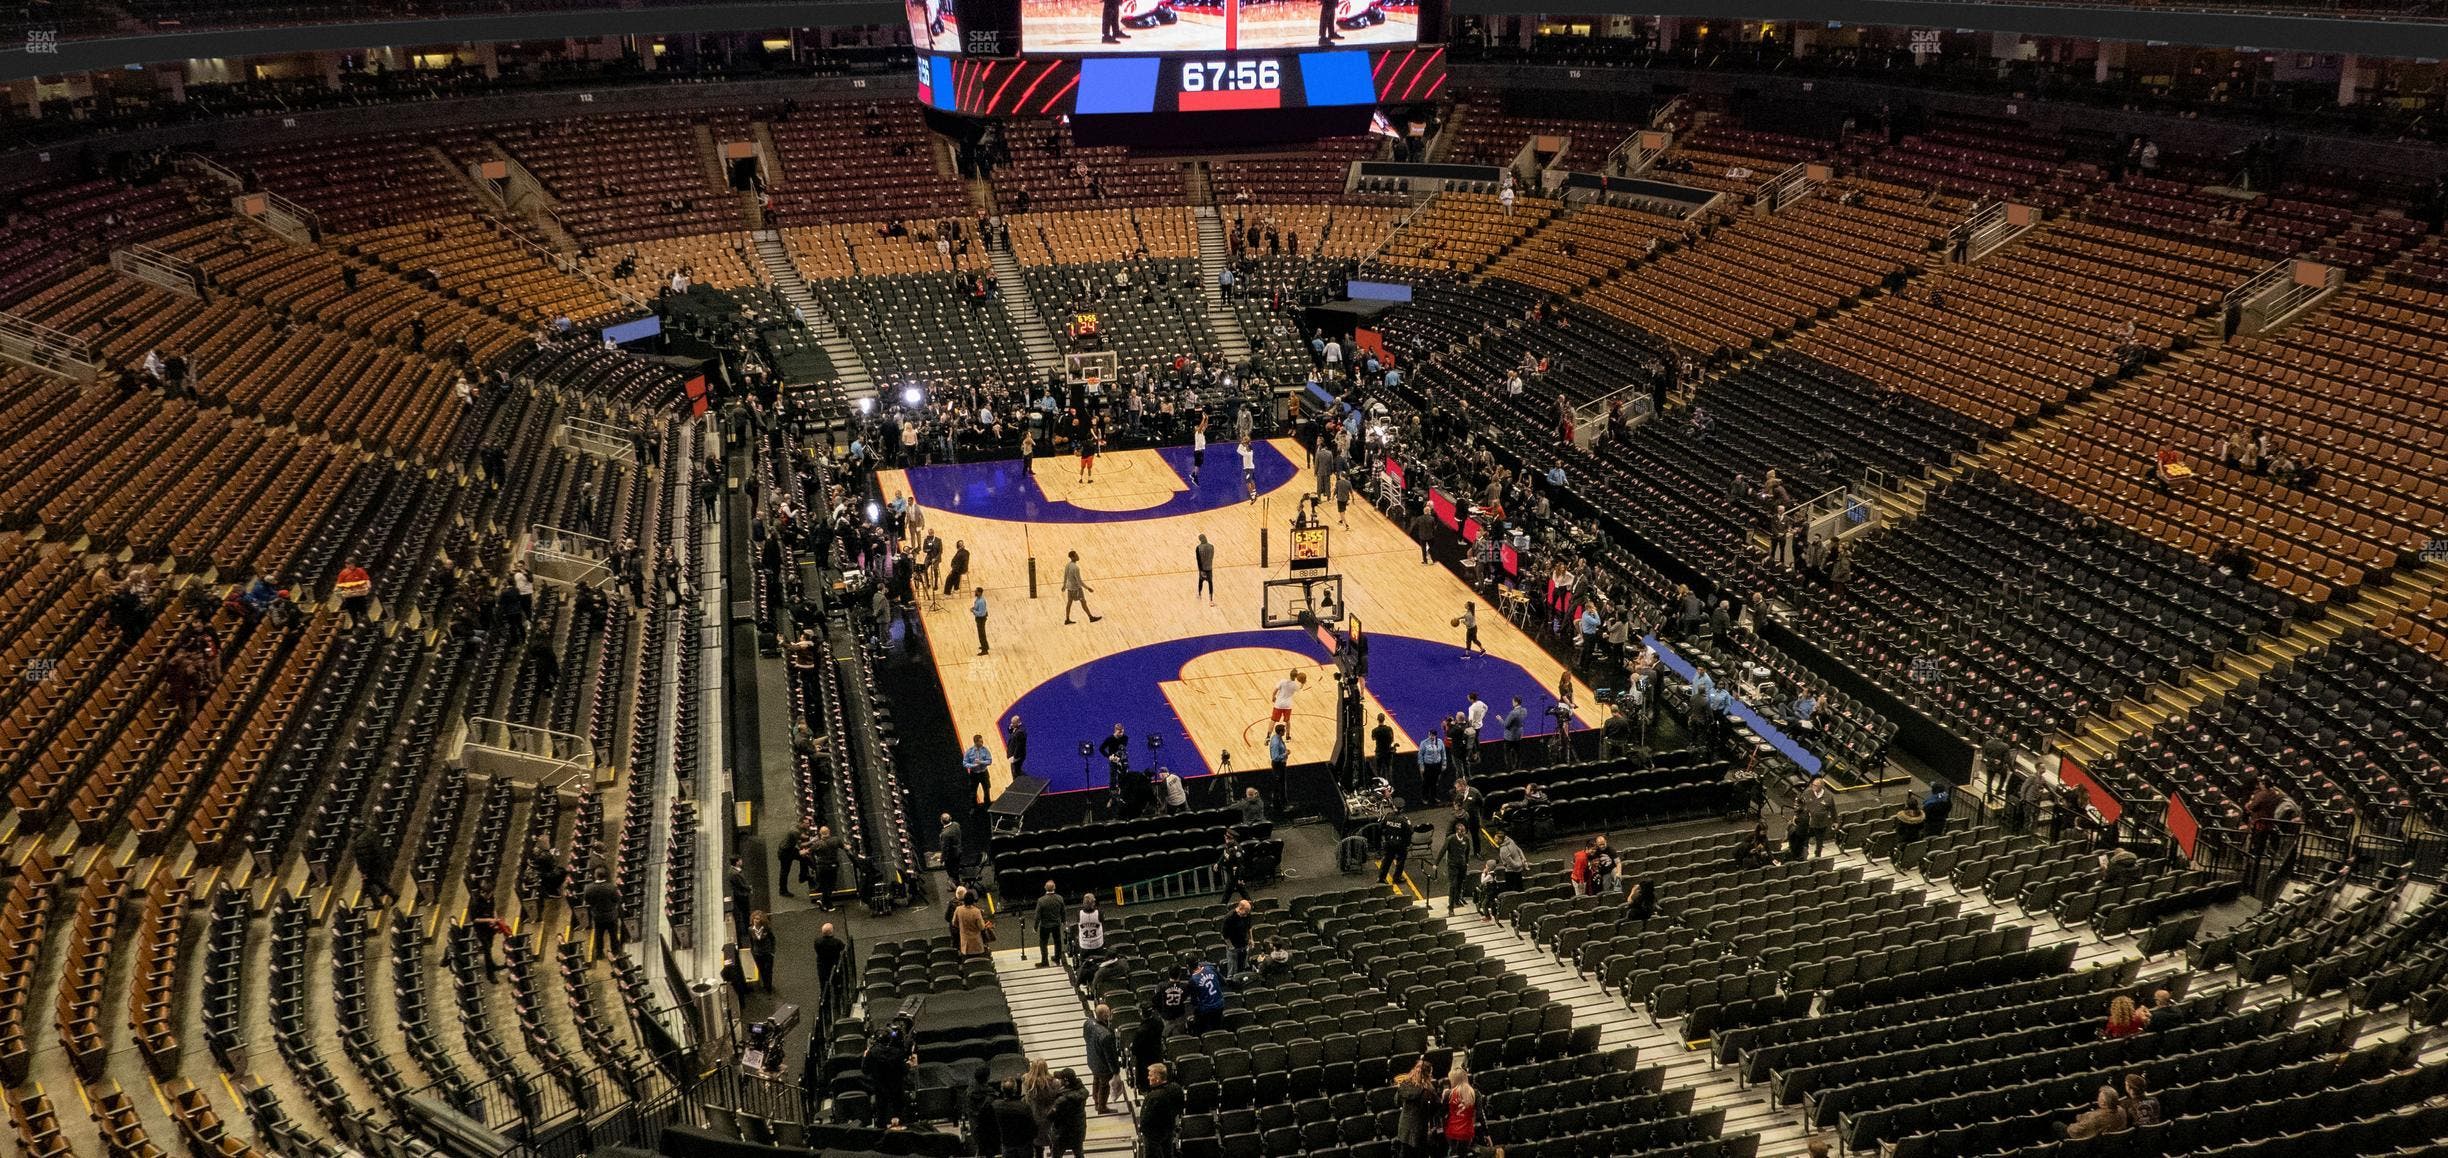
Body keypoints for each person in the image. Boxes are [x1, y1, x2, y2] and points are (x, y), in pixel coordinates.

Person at [1083, 1004, 1124, 1114]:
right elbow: (1110, 1055)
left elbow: (1086, 1038)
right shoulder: (1106, 1035)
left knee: (1096, 1079)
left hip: (1092, 1058)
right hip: (1102, 1064)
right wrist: (1116, 1071)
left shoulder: (1088, 1023)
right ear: (1106, 1016)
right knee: (1104, 1085)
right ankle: (1102, 1107)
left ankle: (1096, 1101)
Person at [1393, 1059, 1437, 1158]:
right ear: (1427, 1074)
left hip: (1404, 1127)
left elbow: (1396, 1102)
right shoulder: (1428, 1090)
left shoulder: (1404, 1084)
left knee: (1405, 1152)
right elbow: (1434, 1108)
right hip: (1419, 1128)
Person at [1140, 1064, 1183, 1158]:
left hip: (1153, 1136)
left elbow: (1146, 1119)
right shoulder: (1176, 1089)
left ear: (1158, 1078)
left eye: (1150, 1075)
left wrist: (1142, 1130)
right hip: (1170, 1129)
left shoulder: (1153, 1097)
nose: (1148, 1078)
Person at [2063, 1084, 2131, 1140]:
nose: (2097, 1099)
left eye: (2099, 1097)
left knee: (2058, 1125)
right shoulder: (2121, 1110)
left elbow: (2074, 1131)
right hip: (2115, 1142)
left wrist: (2071, 1125)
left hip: (2095, 1143)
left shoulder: (2096, 1117)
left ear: (2103, 1103)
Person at [1442, 1058, 1481, 1153]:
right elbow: (1479, 1114)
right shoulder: (1475, 1093)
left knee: (1454, 1152)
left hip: (1452, 1131)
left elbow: (1443, 1113)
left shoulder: (1448, 1094)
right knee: (1464, 1152)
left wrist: (1443, 1098)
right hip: (1467, 1132)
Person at [583, 868, 622, 961]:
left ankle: (599, 954)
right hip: (611, 915)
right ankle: (616, 952)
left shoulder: (589, 888)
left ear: (595, 876)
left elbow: (587, 900)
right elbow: (617, 899)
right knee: (613, 935)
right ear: (605, 876)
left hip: (598, 916)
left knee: (599, 935)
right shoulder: (611, 887)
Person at [1049, 1069, 1089, 1157]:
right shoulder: (1082, 1091)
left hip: (1062, 1133)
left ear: (1066, 1082)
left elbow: (1050, 1116)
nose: (1059, 1081)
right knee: (1078, 1153)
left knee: (1057, 1154)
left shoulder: (1062, 1100)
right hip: (1078, 1130)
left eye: (1061, 1079)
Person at [1438, 819, 1475, 914]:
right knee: (1453, 885)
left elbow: (1467, 851)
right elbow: (1443, 850)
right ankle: (1451, 907)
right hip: (1452, 865)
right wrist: (1436, 863)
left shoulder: (1466, 839)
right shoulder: (1450, 839)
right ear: (1457, 831)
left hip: (1462, 865)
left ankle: (1457, 900)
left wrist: (1467, 862)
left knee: (1460, 883)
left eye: (1464, 831)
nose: (1463, 833)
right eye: (1461, 831)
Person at [814, 922, 850, 1019]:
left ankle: (825, 1010)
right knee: (837, 986)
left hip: (822, 968)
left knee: (824, 988)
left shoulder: (817, 942)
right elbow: (844, 949)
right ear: (831, 932)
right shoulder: (837, 942)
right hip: (833, 967)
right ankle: (837, 1004)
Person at [1073, 893, 1107, 994]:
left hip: (1085, 945)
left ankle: (1083, 981)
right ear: (1094, 903)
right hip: (1097, 944)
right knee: (1098, 964)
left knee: (1084, 965)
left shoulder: (1079, 913)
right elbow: (1103, 921)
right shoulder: (1099, 913)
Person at [1061, 550, 1101, 624]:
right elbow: (1079, 581)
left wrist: (1064, 585)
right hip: (1076, 589)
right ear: (1072, 557)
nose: (1078, 556)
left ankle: (1067, 619)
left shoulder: (1067, 565)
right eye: (1076, 555)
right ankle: (1091, 617)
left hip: (1069, 588)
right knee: (1083, 602)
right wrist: (1088, 588)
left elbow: (1065, 575)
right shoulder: (1076, 568)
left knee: (1069, 603)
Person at [1034, 880, 1067, 967]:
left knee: (1043, 943)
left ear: (1045, 888)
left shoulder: (1041, 900)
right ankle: (1057, 958)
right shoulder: (1059, 898)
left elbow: (1037, 915)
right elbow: (1063, 911)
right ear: (1054, 888)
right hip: (1056, 924)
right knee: (1057, 941)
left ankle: (1044, 961)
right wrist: (1064, 921)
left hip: (1045, 925)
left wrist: (1035, 927)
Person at [1187, 959, 1227, 1032]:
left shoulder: (1192, 980)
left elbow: (1194, 1001)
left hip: (1206, 1010)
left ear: (1188, 966)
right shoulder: (1210, 968)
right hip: (1220, 1004)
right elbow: (1223, 982)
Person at [334, 559, 374, 625]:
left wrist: (368, 584)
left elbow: (366, 579)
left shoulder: (360, 570)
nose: (348, 566)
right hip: (349, 595)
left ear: (353, 564)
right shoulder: (343, 573)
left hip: (360, 594)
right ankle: (355, 624)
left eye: (349, 564)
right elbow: (339, 583)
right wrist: (336, 589)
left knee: (363, 610)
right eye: (346, 564)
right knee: (352, 612)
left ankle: (367, 623)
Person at [746, 910, 778, 993]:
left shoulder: (766, 928)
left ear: (761, 920)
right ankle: (765, 984)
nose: (756, 920)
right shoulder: (750, 929)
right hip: (757, 954)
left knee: (768, 970)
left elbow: (773, 939)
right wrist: (752, 951)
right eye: (754, 918)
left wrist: (772, 951)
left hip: (767, 953)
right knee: (762, 970)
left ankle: (769, 986)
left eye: (758, 919)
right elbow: (751, 941)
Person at [1376, 811, 1411, 886]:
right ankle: (1397, 878)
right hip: (1400, 843)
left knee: (1386, 860)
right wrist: (1407, 843)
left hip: (1389, 842)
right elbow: (1410, 831)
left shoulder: (1387, 817)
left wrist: (1385, 836)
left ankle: (1381, 878)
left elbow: (1380, 827)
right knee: (1400, 860)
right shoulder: (1404, 820)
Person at [1222, 899, 1255, 976]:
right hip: (1234, 948)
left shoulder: (1247, 914)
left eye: (1248, 913)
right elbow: (1225, 935)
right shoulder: (1229, 918)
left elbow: (1249, 928)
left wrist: (1251, 939)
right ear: (1240, 909)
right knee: (1233, 970)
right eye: (1245, 913)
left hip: (1244, 945)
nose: (1246, 915)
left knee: (1243, 967)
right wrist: (1231, 947)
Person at [1218, 830, 1253, 902]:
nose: (1226, 838)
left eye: (1228, 838)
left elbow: (1240, 865)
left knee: (1228, 891)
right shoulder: (1228, 844)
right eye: (1226, 836)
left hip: (1235, 874)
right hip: (1231, 872)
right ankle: (1250, 904)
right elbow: (1224, 853)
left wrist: (1240, 878)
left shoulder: (1237, 850)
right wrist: (1218, 863)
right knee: (1241, 891)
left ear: (1233, 839)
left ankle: (1222, 906)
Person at [954, 891, 992, 956]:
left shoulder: (958, 910)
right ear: (973, 901)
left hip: (965, 944)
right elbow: (981, 927)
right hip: (976, 943)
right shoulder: (976, 911)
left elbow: (954, 922)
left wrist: (962, 927)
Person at [1270, 669, 1303, 739]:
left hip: (1278, 704)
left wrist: (1273, 696)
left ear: (1290, 674)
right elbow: (1300, 688)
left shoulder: (1282, 681)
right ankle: (1287, 736)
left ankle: (1268, 736)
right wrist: (1303, 682)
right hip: (1288, 705)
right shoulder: (1295, 685)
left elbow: (1275, 690)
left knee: (1273, 720)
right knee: (1287, 721)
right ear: (1296, 677)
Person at [938, 812, 965, 890]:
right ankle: (958, 882)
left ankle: (955, 887)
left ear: (942, 821)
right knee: (956, 868)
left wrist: (942, 859)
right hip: (958, 851)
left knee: (951, 872)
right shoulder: (956, 824)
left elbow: (945, 848)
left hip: (951, 855)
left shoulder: (945, 834)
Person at [1195, 534, 1216, 605]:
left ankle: (1199, 594)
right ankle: (1211, 600)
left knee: (1200, 581)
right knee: (1210, 583)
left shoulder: (1198, 548)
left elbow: (1198, 560)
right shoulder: (1211, 546)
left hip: (1202, 569)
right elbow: (1212, 556)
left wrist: (1201, 570)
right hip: (1209, 568)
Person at [971, 588, 990, 656]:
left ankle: (984, 650)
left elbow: (981, 613)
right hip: (980, 618)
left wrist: (973, 611)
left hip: (981, 619)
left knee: (981, 634)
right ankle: (986, 646)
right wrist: (974, 608)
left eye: (976, 591)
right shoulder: (978, 599)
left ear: (979, 593)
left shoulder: (981, 601)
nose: (975, 592)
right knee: (982, 633)